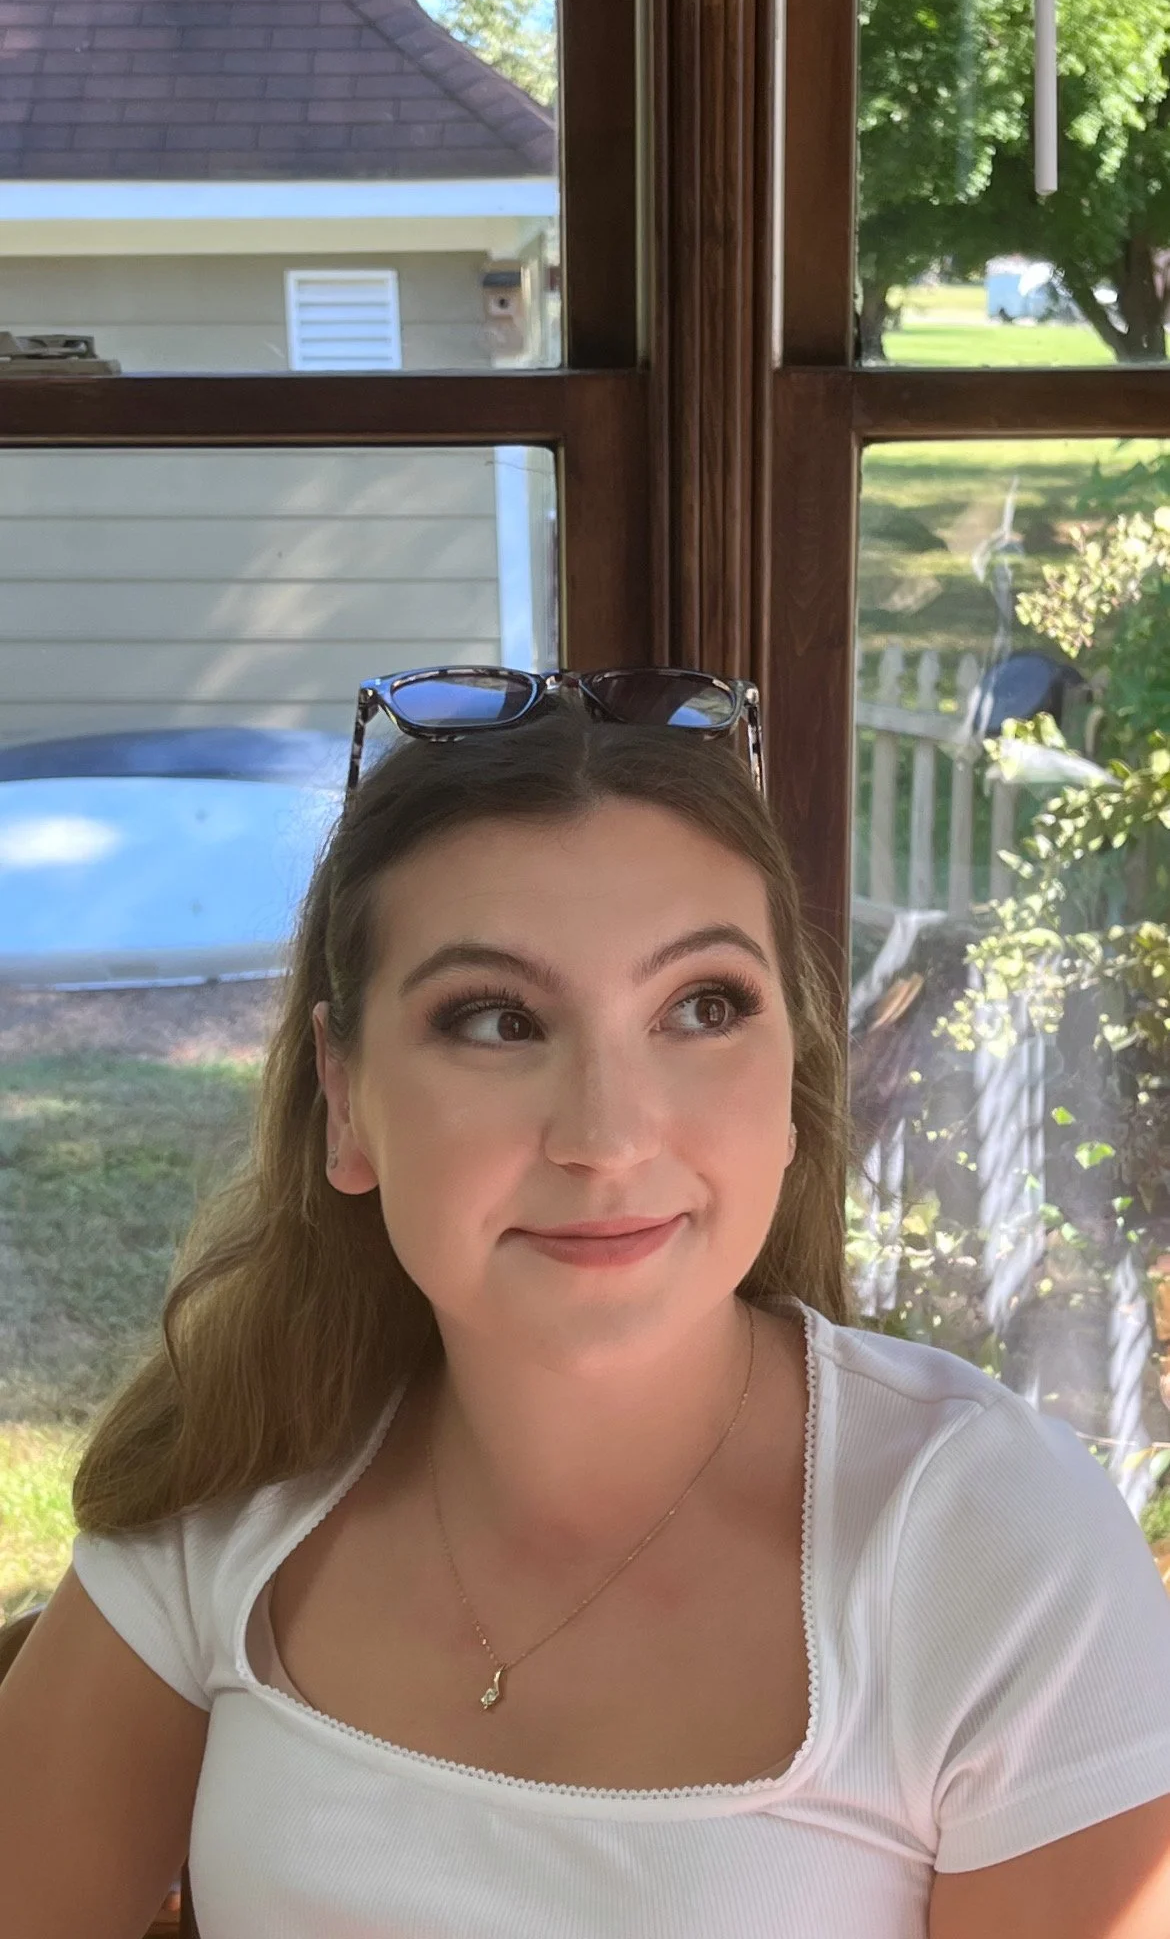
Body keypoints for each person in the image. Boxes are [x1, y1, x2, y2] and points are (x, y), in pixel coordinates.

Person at [3, 680, 1170, 1939]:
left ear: (793, 1078)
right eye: (496, 1020)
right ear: (346, 1100)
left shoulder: (991, 1551)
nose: (608, 1137)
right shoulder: (239, 1478)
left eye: (703, 1006)